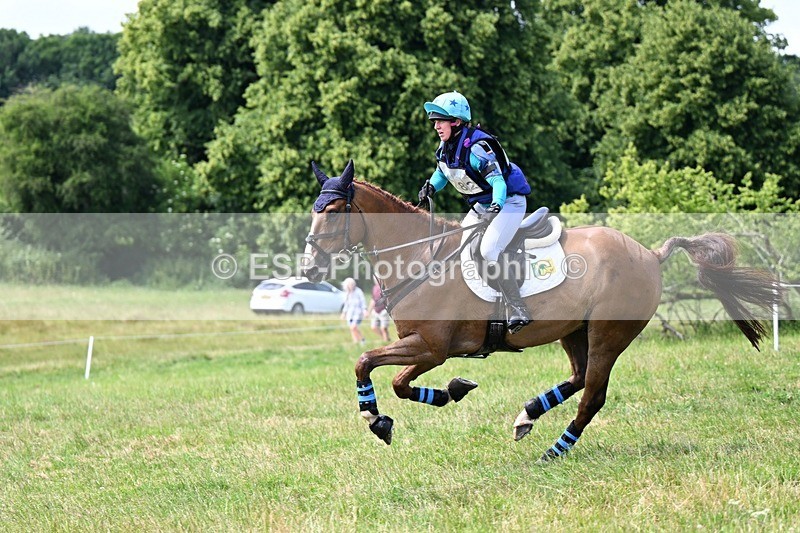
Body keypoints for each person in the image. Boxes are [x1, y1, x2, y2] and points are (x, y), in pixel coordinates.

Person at [419, 90, 533, 333]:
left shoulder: (477, 148)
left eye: (440, 121)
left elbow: (499, 183)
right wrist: (431, 187)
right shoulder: (446, 148)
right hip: (482, 206)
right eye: (434, 122)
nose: (436, 126)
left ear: (456, 122)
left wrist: (496, 206)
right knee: (460, 249)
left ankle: (518, 307)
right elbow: (442, 173)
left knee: (489, 249)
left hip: (508, 202)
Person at [341, 277, 366, 344]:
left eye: (352, 284)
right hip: (350, 314)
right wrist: (344, 313)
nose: (352, 286)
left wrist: (364, 310)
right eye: (350, 284)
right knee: (352, 328)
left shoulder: (358, 291)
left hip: (358, 313)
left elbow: (362, 301)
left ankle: (363, 340)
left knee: (353, 327)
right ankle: (356, 342)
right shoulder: (347, 293)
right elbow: (346, 304)